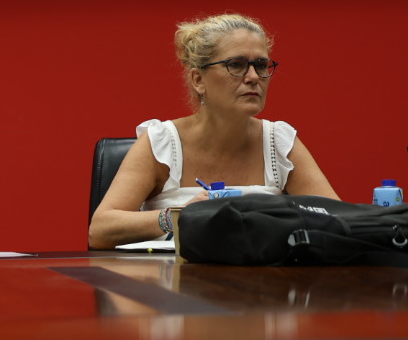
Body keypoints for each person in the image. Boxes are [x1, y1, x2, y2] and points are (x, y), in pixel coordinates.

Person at [87, 13, 338, 249]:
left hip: (263, 288)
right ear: (198, 80)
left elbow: (340, 222)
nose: (253, 77)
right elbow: (100, 230)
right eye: (236, 65)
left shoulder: (280, 143)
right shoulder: (162, 143)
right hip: (172, 288)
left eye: (261, 65)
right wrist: (178, 217)